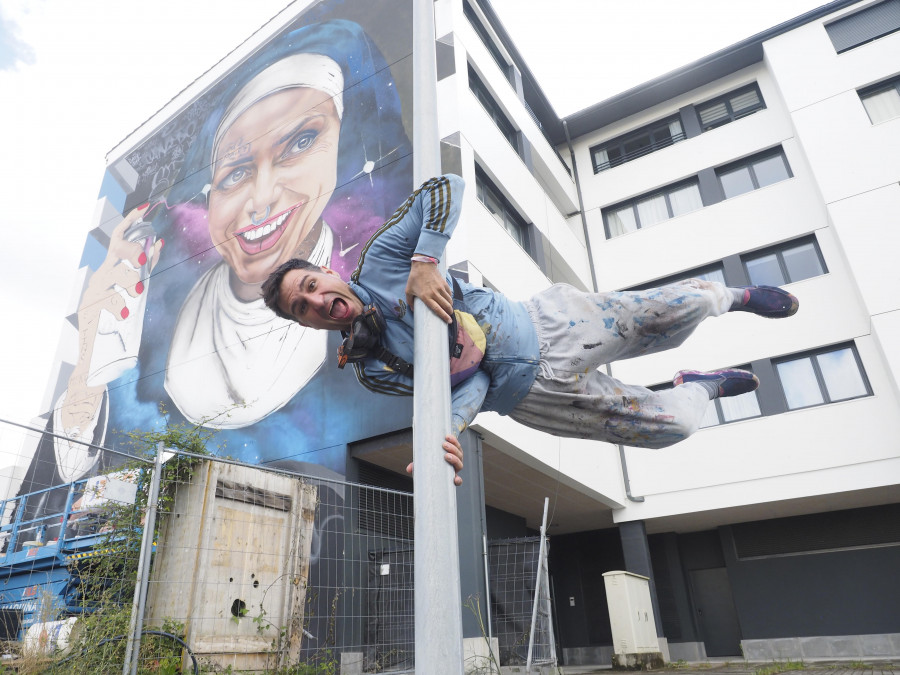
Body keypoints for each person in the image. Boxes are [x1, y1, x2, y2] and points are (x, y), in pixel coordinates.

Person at [261, 174, 800, 483]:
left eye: (310, 284)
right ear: (304, 324)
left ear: (327, 271)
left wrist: (425, 259)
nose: (315, 300)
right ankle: (698, 385)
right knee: (669, 428)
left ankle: (734, 296)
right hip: (536, 398)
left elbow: (444, 185)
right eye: (301, 308)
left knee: (683, 307)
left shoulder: (382, 259)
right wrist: (447, 431)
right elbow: (465, 384)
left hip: (553, 326)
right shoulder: (371, 370)